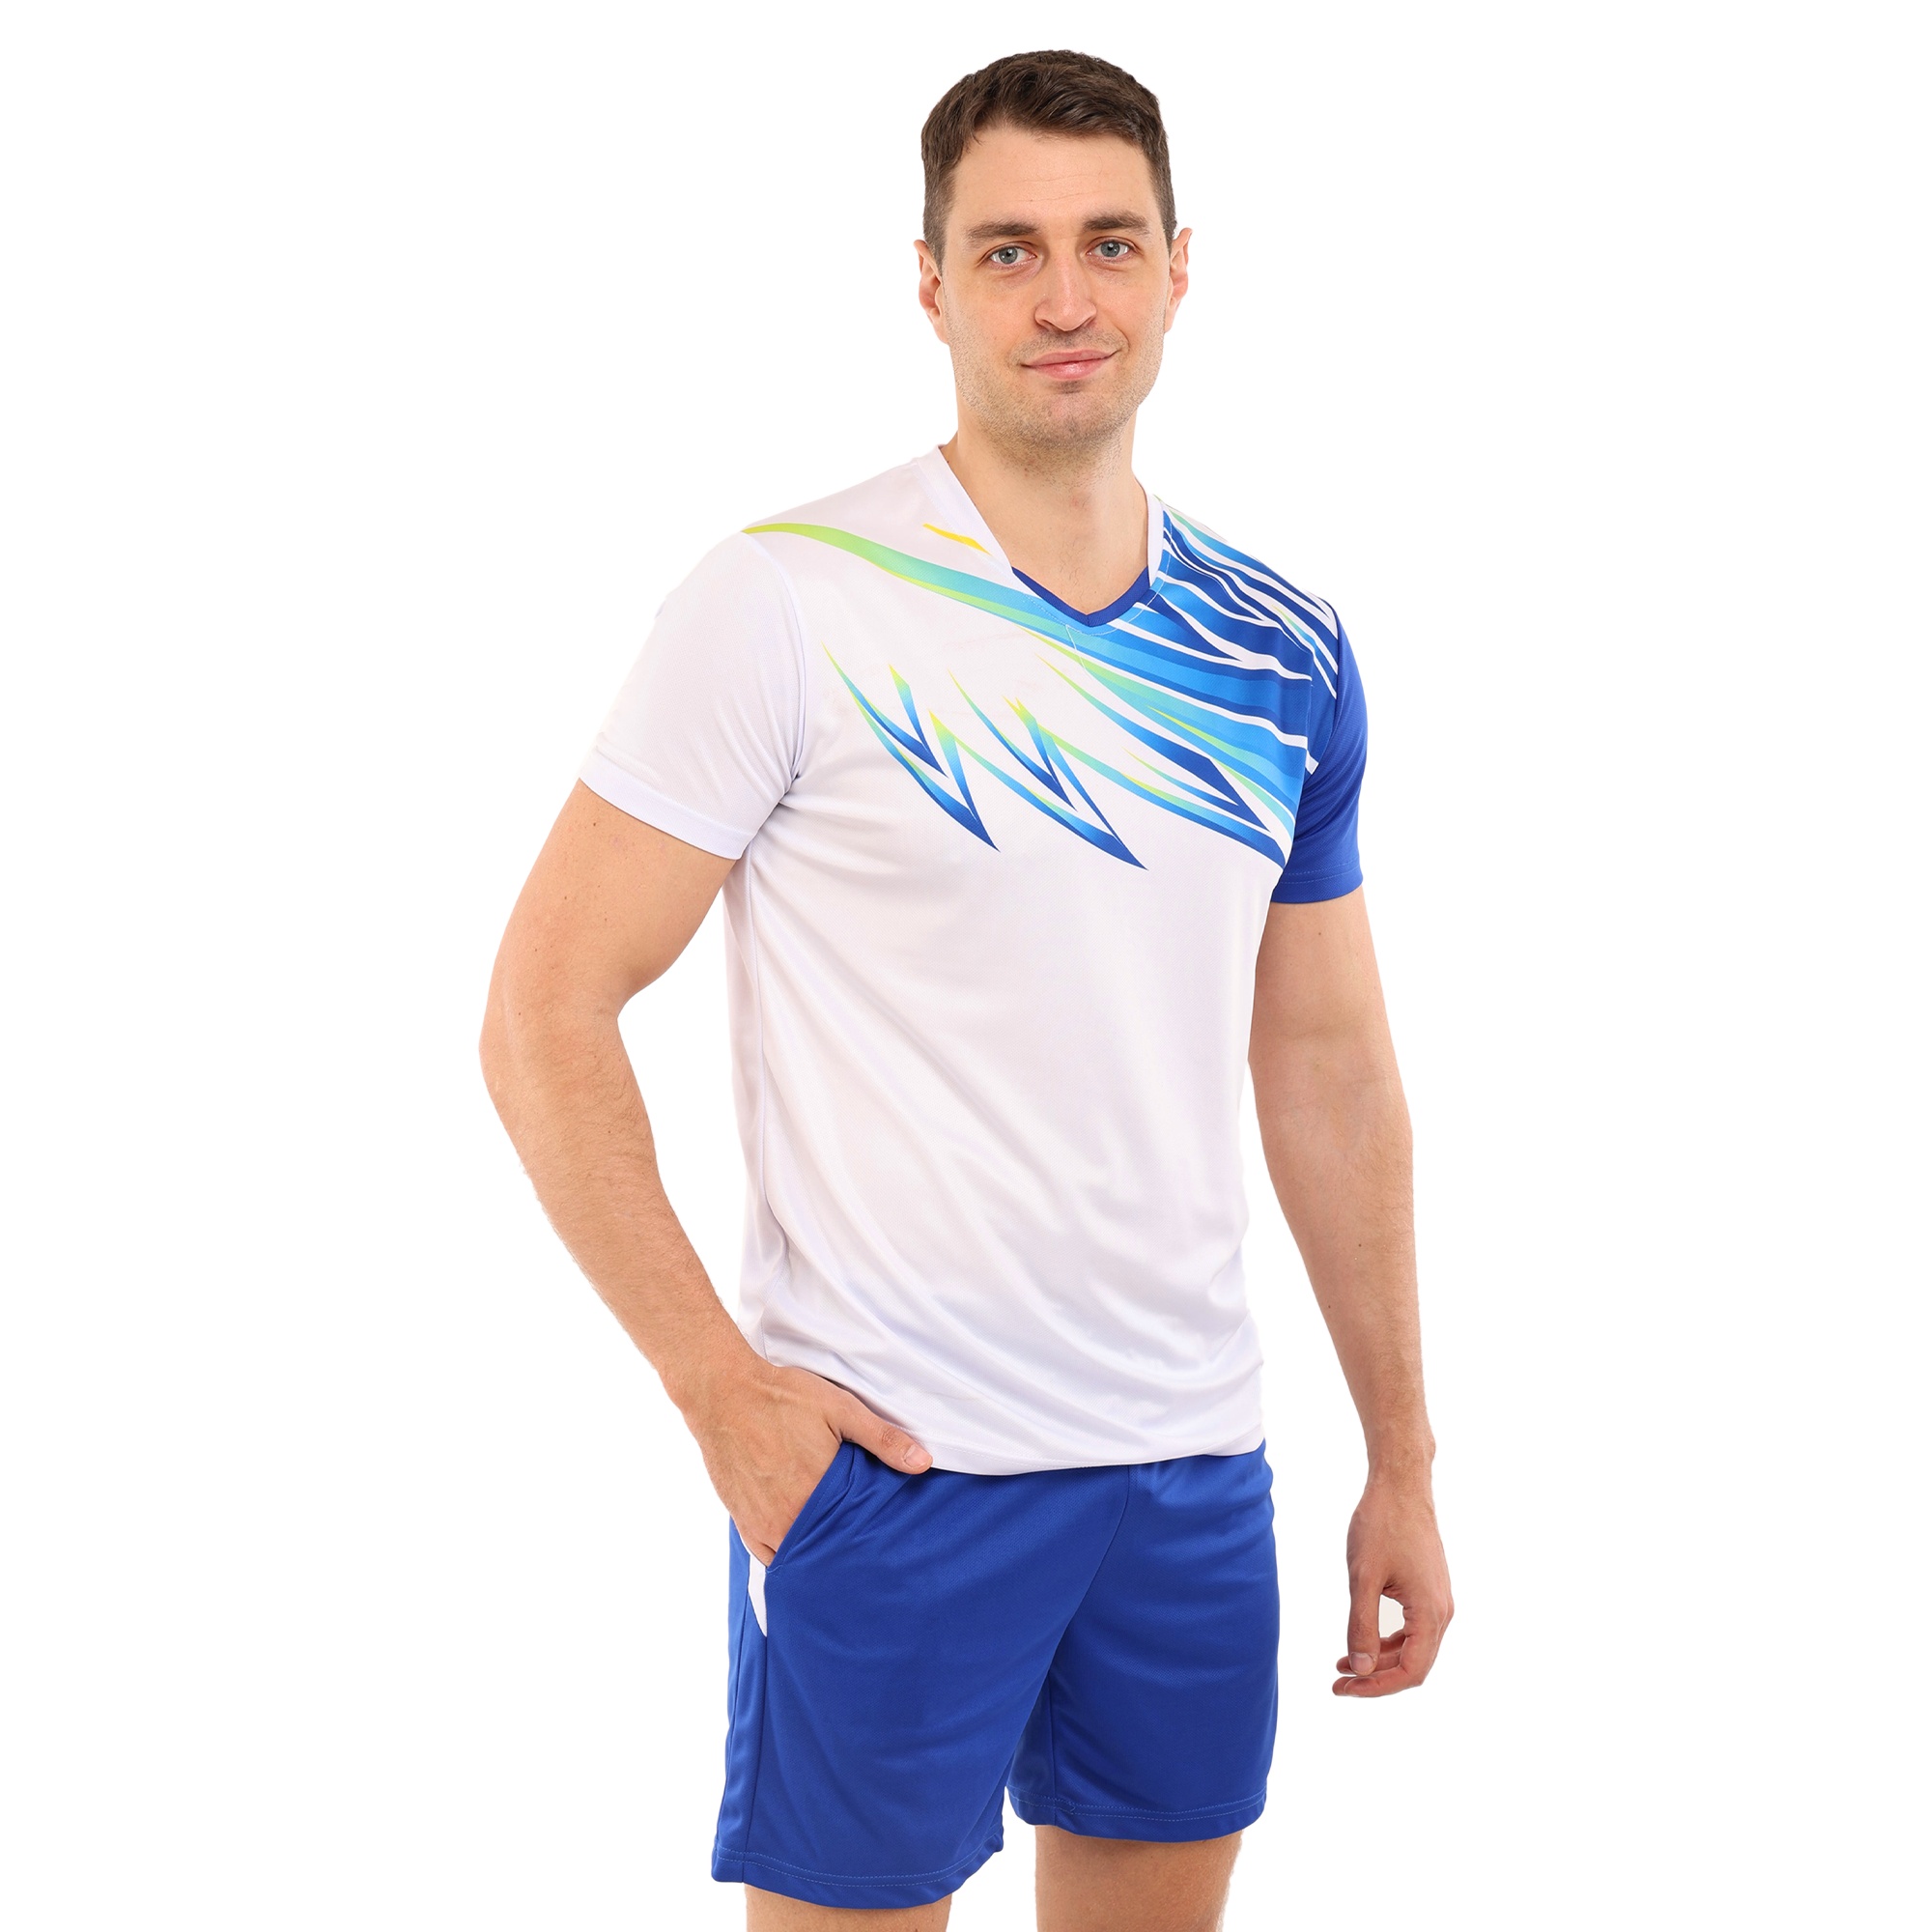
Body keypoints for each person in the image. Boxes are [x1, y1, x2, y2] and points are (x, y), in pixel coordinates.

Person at [481, 47, 1452, 1932]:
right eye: (1009, 251)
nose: (1065, 297)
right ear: (929, 283)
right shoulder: (787, 601)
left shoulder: (1282, 647)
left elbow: (1328, 1066)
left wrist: (1399, 1454)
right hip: (891, 1475)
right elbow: (543, 1009)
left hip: (1190, 1467)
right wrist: (718, 1393)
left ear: (1180, 267)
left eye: (1108, 244)